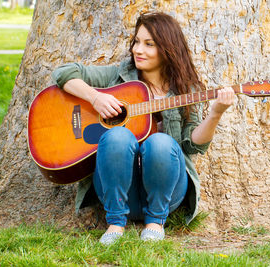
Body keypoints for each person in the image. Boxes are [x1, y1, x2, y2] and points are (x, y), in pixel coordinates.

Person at [52, 12, 235, 245]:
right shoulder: (119, 76)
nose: (138, 50)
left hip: (166, 192)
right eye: (137, 42)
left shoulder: (186, 89)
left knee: (160, 143)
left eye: (149, 44)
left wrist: (216, 113)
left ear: (168, 48)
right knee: (117, 134)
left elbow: (194, 144)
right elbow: (63, 73)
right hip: (116, 192)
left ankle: (154, 224)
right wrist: (95, 98)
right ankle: (115, 224)